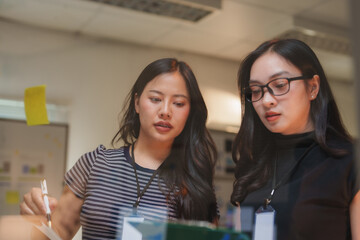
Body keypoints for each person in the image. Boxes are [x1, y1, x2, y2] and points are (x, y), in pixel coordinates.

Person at [20, 58, 219, 239]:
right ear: (137, 103)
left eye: (178, 103)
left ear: (190, 112)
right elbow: (55, 233)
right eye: (156, 99)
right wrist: (36, 219)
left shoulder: (195, 183)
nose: (165, 111)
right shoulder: (94, 164)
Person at [230, 39, 360, 239]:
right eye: (256, 91)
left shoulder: (349, 161)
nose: (267, 100)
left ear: (313, 87)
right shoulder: (253, 166)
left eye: (280, 85)